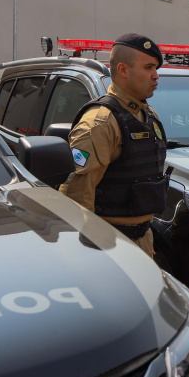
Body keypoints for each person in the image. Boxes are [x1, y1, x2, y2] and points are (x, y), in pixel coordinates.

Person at [59, 34, 167, 257]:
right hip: (108, 245)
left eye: (156, 68)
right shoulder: (101, 123)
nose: (156, 76)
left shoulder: (147, 114)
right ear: (123, 70)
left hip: (142, 240)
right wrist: (88, 252)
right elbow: (78, 196)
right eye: (148, 68)